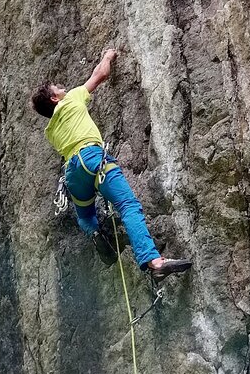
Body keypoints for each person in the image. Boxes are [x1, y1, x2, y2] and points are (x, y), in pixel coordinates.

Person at [31, 48, 193, 281]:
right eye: (59, 88)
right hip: (92, 158)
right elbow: (100, 75)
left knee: (85, 215)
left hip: (73, 174)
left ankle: (95, 232)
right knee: (127, 205)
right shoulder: (72, 99)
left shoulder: (50, 131)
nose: (64, 88)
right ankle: (154, 261)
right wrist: (107, 56)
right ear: (55, 98)